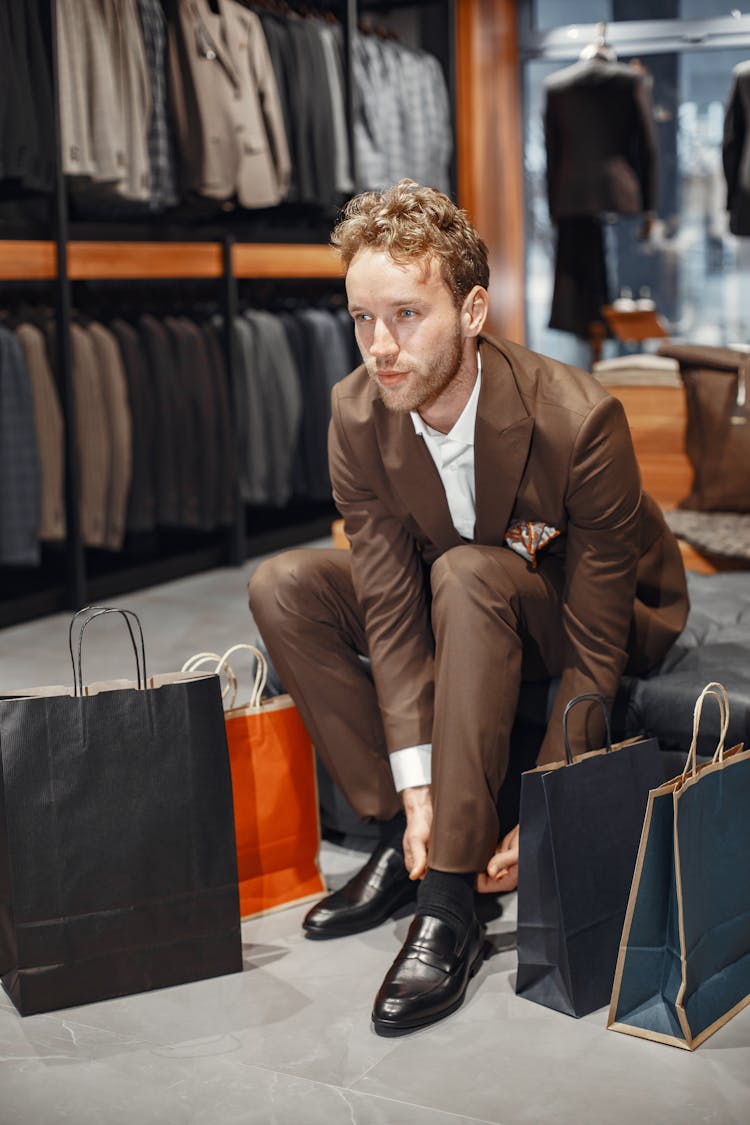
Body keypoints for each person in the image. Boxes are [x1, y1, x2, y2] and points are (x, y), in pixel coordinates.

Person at [248, 179, 689, 1036]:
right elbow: (383, 597)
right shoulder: (356, 411)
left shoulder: (579, 420)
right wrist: (417, 792)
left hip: (583, 609)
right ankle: (397, 832)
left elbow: (598, 642)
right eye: (363, 319)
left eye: (407, 315)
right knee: (287, 585)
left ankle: (446, 902)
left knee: (468, 574)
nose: (381, 346)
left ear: (474, 309)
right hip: (463, 587)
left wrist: (550, 807)